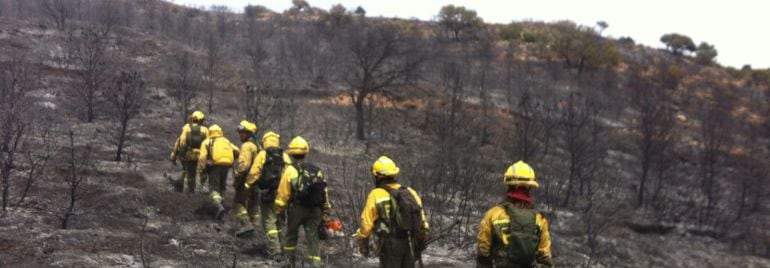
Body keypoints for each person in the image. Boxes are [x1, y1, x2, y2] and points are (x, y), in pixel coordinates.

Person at [353, 156, 429, 268]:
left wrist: (362, 240)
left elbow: (366, 225)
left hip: (390, 245)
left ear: (377, 176)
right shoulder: (410, 192)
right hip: (410, 243)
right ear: (395, 174)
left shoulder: (376, 194)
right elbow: (423, 222)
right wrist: (420, 241)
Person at [476, 161, 553, 268]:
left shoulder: (493, 214)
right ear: (530, 187)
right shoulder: (539, 220)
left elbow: (483, 249)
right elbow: (544, 256)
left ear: (508, 185)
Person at [274, 136, 332, 268]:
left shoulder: (290, 170)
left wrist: (279, 210)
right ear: (306, 152)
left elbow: (283, 194)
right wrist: (326, 209)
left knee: (291, 236)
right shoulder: (317, 170)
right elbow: (324, 191)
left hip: (297, 208)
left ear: (292, 153)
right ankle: (316, 265)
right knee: (313, 239)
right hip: (315, 209)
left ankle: (289, 263)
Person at [244, 131, 293, 261]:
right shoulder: (285, 156)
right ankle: (281, 248)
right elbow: (290, 174)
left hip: (268, 194)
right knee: (279, 222)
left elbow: (254, 173)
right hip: (283, 194)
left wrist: (247, 186)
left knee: (269, 222)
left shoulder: (262, 155)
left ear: (264, 141)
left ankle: (274, 251)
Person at [197, 124, 239, 220]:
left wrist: (202, 170)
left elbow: (202, 158)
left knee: (213, 189)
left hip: (214, 166)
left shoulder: (207, 141)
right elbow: (237, 150)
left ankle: (218, 206)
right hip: (227, 166)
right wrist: (232, 160)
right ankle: (221, 208)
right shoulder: (226, 141)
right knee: (222, 187)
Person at [232, 120, 260, 236]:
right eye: (240, 132)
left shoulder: (247, 146)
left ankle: (246, 225)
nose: (240, 135)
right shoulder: (258, 146)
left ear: (249, 133)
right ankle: (255, 229)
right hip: (257, 180)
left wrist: (237, 177)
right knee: (253, 205)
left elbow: (244, 166)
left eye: (243, 132)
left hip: (247, 180)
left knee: (237, 203)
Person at [170, 111, 208, 193]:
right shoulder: (205, 130)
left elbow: (181, 142)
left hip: (189, 155)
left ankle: (186, 195)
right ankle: (198, 194)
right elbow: (208, 144)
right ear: (200, 120)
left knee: (188, 174)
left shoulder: (186, 128)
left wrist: (178, 155)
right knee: (199, 175)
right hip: (201, 156)